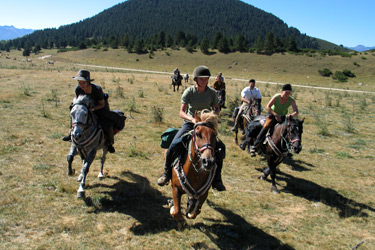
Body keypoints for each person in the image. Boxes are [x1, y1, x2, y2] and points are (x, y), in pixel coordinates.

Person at [157, 65, 226, 191]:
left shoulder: (212, 93)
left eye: (206, 78)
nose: (204, 81)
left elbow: (216, 107)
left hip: (206, 124)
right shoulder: (189, 92)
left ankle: (217, 180)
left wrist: (213, 115)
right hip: (190, 124)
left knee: (220, 149)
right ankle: (166, 174)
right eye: (201, 79)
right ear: (196, 79)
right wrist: (192, 119)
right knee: (173, 146)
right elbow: (182, 112)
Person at [62, 69, 121, 153]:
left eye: (83, 82)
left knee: (106, 123)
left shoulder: (97, 89)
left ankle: (109, 143)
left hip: (99, 107)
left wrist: (92, 109)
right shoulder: (78, 89)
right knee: (74, 114)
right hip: (86, 107)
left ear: (88, 82)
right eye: (79, 82)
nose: (81, 85)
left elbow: (102, 104)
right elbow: (78, 101)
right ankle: (70, 134)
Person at [250, 83, 298, 156]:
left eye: (289, 93)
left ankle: (287, 149)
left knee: (288, 129)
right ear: (282, 92)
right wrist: (275, 115)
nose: (287, 94)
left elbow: (296, 111)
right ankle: (255, 146)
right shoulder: (277, 97)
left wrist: (290, 115)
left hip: (282, 116)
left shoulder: (291, 100)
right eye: (286, 92)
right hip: (272, 114)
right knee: (266, 126)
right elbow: (268, 107)